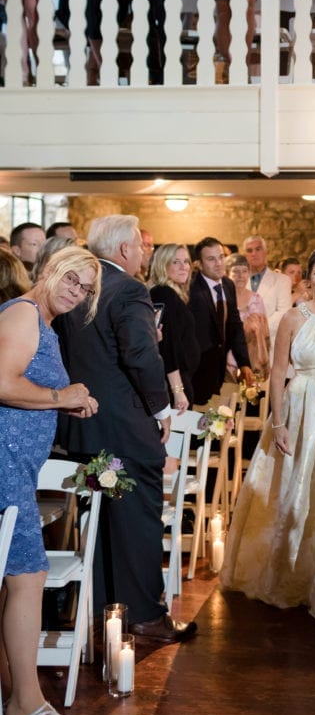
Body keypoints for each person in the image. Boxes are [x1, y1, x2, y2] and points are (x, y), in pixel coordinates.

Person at [55, 215, 197, 643]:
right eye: (140, 246)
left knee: (96, 526)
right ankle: (145, 617)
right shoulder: (129, 289)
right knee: (137, 523)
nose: (144, 253)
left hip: (83, 426)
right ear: (122, 251)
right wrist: (161, 411)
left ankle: (102, 614)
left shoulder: (78, 289)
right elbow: (140, 356)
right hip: (127, 426)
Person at [221, 247, 315, 621]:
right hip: (301, 407)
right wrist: (278, 422)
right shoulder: (291, 317)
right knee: (299, 487)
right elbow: (277, 373)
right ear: (307, 278)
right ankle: (294, 576)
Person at [0, 245, 99, 715]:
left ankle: (14, 697)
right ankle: (25, 703)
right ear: (50, 268)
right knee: (29, 576)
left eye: (84, 289)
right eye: (72, 279)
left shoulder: (44, 322)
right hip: (4, 469)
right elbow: (1, 382)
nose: (75, 292)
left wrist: (68, 402)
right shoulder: (22, 312)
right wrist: (63, 396)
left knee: (14, 581)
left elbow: (27, 389)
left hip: (15, 467)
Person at [188, 237, 253, 406]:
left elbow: (234, 325)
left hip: (219, 368)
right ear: (199, 264)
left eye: (221, 257)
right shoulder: (191, 289)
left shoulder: (227, 284)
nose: (218, 263)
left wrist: (244, 362)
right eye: (211, 259)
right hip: (196, 370)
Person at [148, 243, 200, 412]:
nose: (184, 267)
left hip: (178, 380)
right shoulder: (164, 294)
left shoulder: (171, 294)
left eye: (186, 261)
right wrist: (177, 390)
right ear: (163, 264)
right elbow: (167, 346)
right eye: (176, 262)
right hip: (172, 384)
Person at [243, 234, 292, 351]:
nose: (253, 254)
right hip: (243, 345)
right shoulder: (237, 281)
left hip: (270, 343)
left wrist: (257, 330)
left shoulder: (282, 280)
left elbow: (283, 312)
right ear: (245, 255)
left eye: (258, 249)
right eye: (249, 250)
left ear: (265, 252)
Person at [225, 252, 270, 380]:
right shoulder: (222, 299)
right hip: (226, 364)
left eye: (244, 271)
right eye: (235, 271)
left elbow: (264, 336)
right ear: (227, 274)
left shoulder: (257, 299)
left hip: (253, 362)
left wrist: (263, 365)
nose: (240, 276)